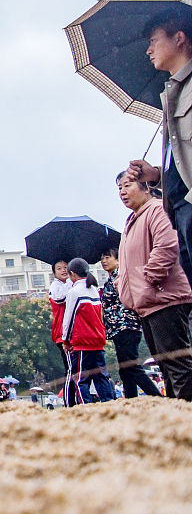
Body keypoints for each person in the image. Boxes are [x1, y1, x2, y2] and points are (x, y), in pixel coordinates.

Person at [126, 10, 192, 281]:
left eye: (154, 41)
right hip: (179, 212)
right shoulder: (172, 94)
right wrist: (155, 176)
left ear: (179, 38)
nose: (148, 51)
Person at [116, 171, 192, 400]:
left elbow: (167, 246)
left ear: (146, 187)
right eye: (119, 188)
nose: (122, 192)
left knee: (178, 366)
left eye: (127, 185)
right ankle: (175, 417)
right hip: (147, 303)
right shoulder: (133, 220)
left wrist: (148, 280)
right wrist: (125, 287)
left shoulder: (157, 209)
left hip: (164, 299)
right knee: (166, 367)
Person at [99, 248, 162, 398]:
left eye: (108, 257)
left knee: (131, 366)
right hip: (117, 328)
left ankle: (158, 397)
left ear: (119, 260)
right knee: (125, 368)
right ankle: (131, 400)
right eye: (102, 258)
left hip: (126, 325)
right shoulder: (111, 279)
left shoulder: (122, 277)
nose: (104, 261)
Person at [61, 258, 115, 405]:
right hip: (97, 341)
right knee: (101, 377)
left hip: (82, 343)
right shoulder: (95, 291)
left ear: (72, 274)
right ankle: (109, 404)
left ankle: (85, 406)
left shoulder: (74, 292)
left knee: (80, 379)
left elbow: (69, 319)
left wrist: (65, 340)